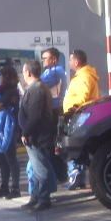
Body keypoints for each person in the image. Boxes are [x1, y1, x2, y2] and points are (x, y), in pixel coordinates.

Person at [19, 60, 56, 211]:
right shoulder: (36, 88)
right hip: (35, 135)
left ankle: (43, 198)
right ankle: (35, 196)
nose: (22, 74)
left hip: (37, 136)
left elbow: (34, 115)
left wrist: (26, 132)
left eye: (23, 71)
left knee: (40, 168)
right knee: (34, 168)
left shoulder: (37, 89)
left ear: (28, 72)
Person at [63, 49, 100, 189]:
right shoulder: (83, 75)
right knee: (79, 149)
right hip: (79, 116)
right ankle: (79, 178)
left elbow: (82, 96)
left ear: (76, 61)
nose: (70, 62)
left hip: (78, 116)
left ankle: (76, 176)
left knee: (74, 148)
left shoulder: (83, 77)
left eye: (71, 59)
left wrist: (73, 107)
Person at [40, 47, 68, 183]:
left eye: (46, 58)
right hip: (52, 111)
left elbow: (37, 84)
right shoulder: (48, 71)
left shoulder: (56, 71)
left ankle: (59, 175)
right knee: (52, 145)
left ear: (54, 59)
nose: (43, 60)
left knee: (52, 145)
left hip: (55, 111)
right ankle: (58, 174)